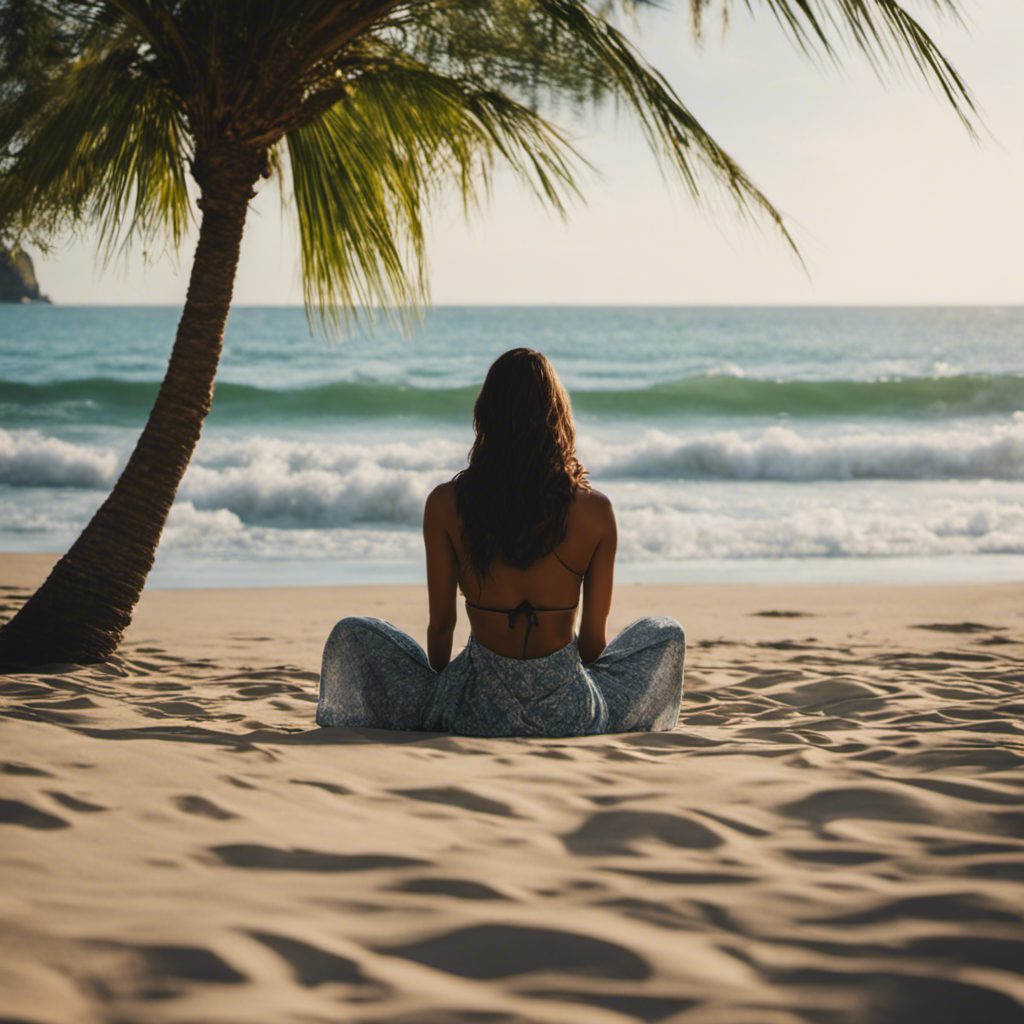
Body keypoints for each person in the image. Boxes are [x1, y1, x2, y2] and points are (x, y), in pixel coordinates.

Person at [317, 348, 684, 736]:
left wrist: (441, 690)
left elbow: (442, 627)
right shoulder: (596, 511)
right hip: (570, 713)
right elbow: (592, 646)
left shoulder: (445, 504)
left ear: (486, 414)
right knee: (665, 631)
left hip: (472, 710)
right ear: (557, 417)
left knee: (353, 631)